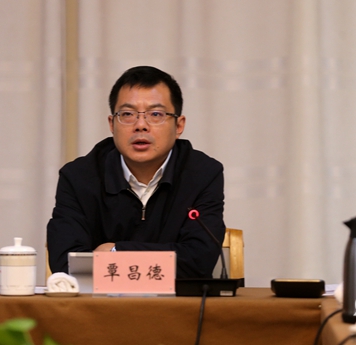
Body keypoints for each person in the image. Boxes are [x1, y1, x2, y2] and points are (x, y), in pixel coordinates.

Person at [46, 66, 225, 278]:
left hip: (178, 300)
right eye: (127, 114)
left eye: (155, 114)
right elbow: (66, 263)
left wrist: (116, 251)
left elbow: (200, 260)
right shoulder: (78, 177)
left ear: (179, 126)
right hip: (101, 299)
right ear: (112, 124)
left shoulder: (203, 174)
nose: (141, 125)